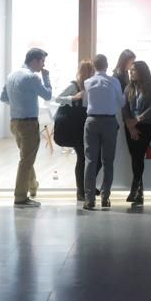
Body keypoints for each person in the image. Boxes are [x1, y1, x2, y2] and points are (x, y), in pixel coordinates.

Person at [3, 47, 52, 208]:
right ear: (35, 60)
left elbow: (3, 97)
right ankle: (20, 197)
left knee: (26, 157)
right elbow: (47, 95)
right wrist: (46, 78)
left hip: (14, 122)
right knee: (26, 161)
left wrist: (18, 105)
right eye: (42, 61)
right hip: (29, 123)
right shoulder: (33, 77)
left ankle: (32, 186)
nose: (43, 65)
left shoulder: (11, 75)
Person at [82, 54, 123, 210]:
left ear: (94, 65)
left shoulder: (87, 82)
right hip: (109, 122)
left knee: (90, 161)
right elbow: (122, 101)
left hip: (92, 121)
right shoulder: (114, 82)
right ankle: (105, 197)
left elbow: (85, 103)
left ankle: (89, 199)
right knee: (108, 161)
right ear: (107, 65)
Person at [121, 60, 151, 207]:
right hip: (130, 126)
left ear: (142, 71)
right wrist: (130, 126)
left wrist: (137, 120)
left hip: (145, 126)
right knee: (134, 157)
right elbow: (124, 108)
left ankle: (135, 188)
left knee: (139, 156)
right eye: (130, 70)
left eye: (134, 70)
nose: (131, 73)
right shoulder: (128, 88)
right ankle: (139, 191)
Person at [56, 59, 93, 202]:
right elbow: (58, 98)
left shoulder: (92, 85)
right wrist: (73, 97)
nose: (91, 74)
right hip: (76, 126)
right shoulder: (74, 86)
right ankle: (81, 190)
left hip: (85, 123)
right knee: (82, 157)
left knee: (86, 157)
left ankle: (85, 188)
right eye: (89, 71)